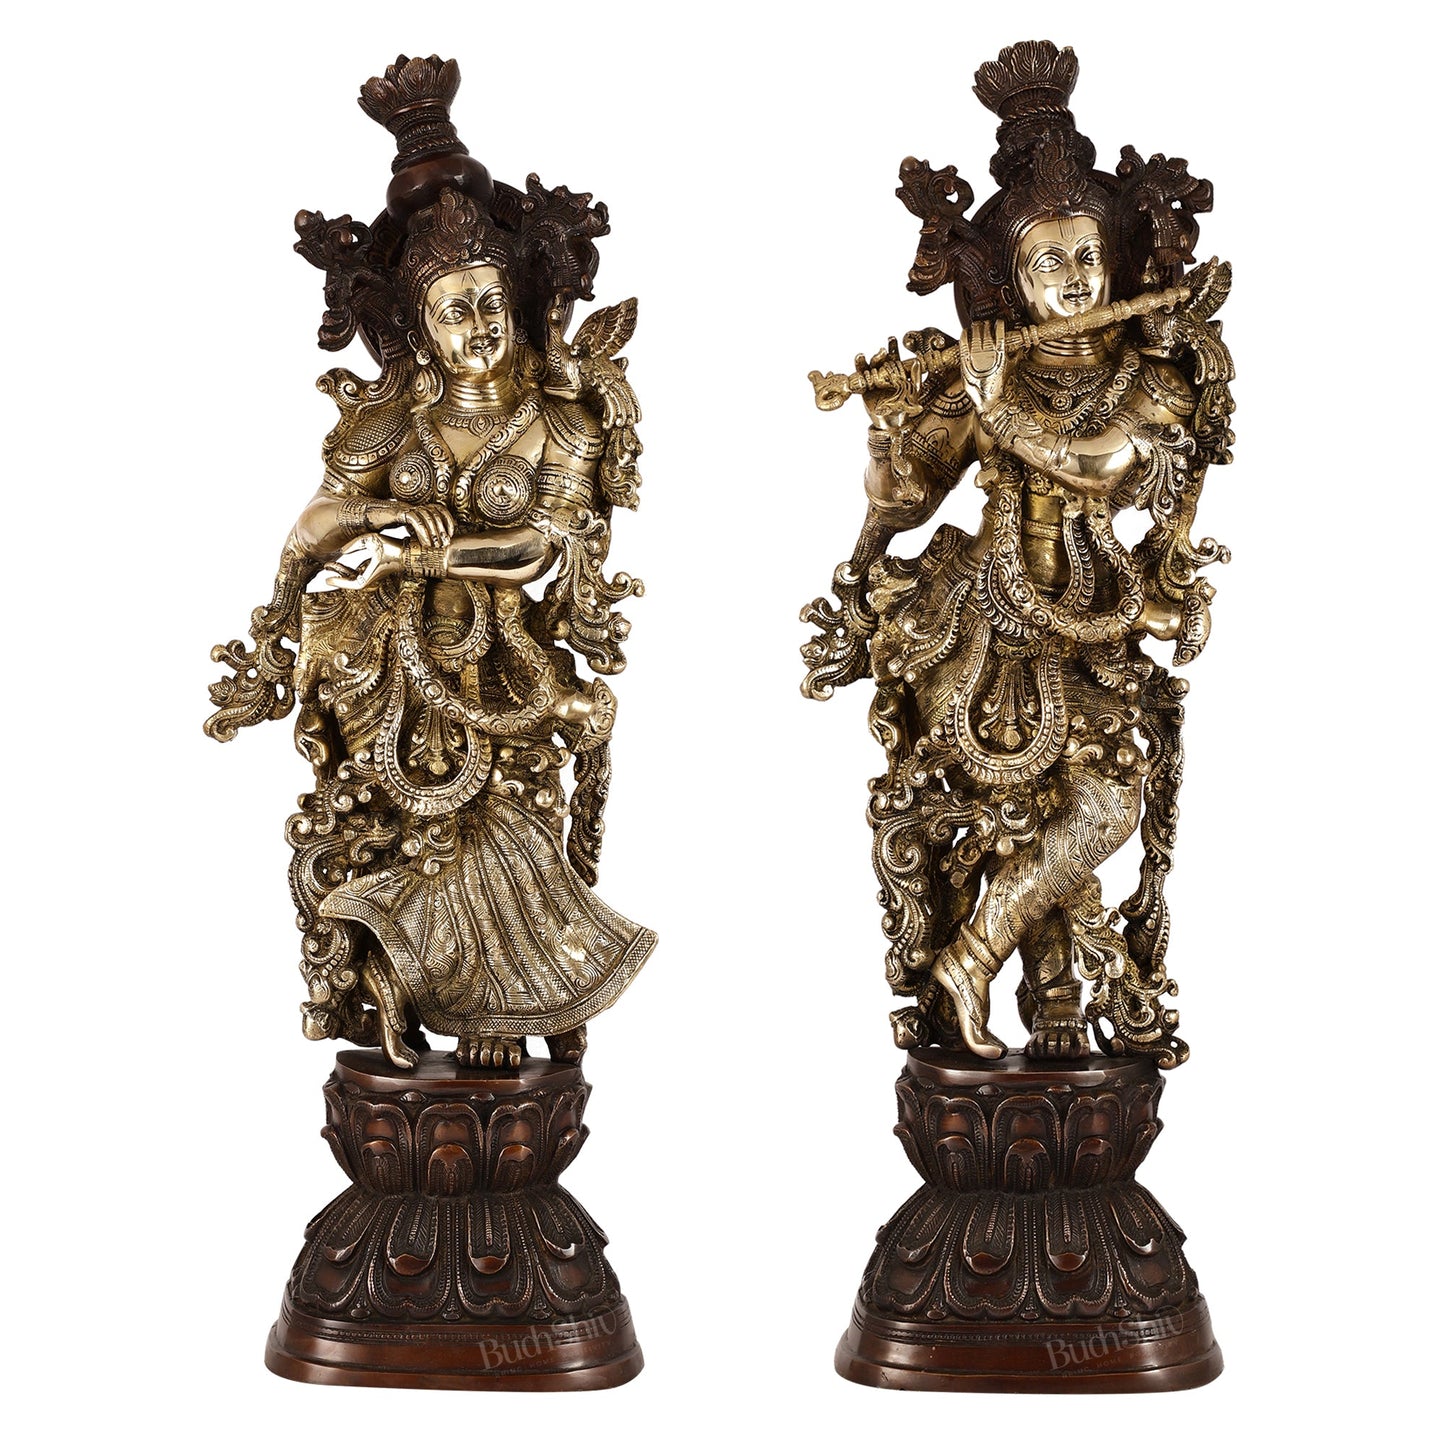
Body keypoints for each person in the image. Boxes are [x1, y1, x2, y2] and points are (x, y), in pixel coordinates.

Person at [207, 58, 653, 1070]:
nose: (478, 326)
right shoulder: (392, 415)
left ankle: (506, 1003)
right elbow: (314, 522)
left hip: (501, 658)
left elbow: (548, 541)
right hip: (384, 662)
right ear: (417, 324)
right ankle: (389, 991)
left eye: (491, 303)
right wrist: (371, 517)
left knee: (508, 819)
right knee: (390, 826)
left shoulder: (555, 421)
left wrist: (425, 545)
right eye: (455, 310)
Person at [802, 41, 1234, 1067]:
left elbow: (1108, 466)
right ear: (1010, 278)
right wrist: (889, 437)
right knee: (1004, 810)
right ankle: (1041, 996)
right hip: (979, 616)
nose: (1074, 281)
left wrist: (999, 410)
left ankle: (973, 960)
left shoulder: (1147, 381)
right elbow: (909, 494)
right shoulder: (987, 370)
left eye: (1086, 257)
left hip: (1092, 615)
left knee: (1104, 797)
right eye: (1049, 262)